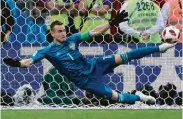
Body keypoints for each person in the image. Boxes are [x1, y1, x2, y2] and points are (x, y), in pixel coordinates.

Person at [3, 11, 176, 104]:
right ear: (53, 33)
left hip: (94, 65)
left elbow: (93, 32)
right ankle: (139, 97)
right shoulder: (47, 51)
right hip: (86, 82)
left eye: (64, 30)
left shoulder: (73, 39)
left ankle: (160, 47)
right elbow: (29, 61)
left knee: (127, 55)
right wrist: (17, 63)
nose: (64, 33)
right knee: (119, 98)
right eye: (60, 31)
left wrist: (111, 23)